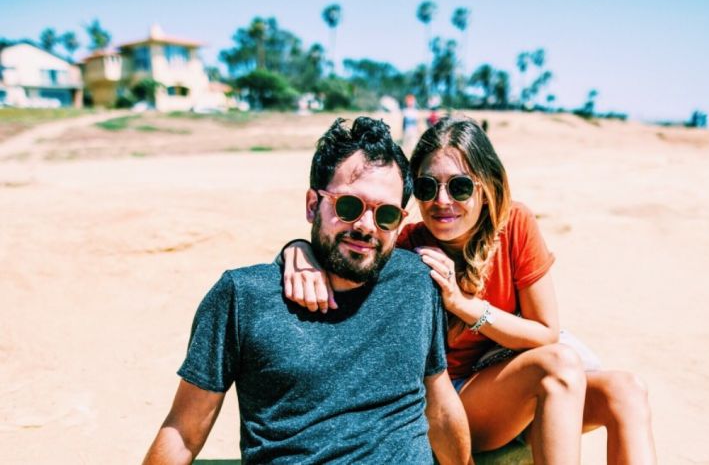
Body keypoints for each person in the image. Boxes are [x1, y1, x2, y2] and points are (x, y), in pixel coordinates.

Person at [282, 116, 657, 464]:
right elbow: (348, 246)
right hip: (451, 402)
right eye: (428, 187)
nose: (442, 201)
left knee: (626, 391)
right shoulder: (408, 244)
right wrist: (297, 250)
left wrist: (463, 305)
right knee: (557, 366)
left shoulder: (515, 225)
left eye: (459, 186)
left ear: (486, 186)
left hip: (518, 388)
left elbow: (545, 332)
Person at [143, 117, 472, 464]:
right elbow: (184, 431)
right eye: (349, 206)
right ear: (313, 205)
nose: (365, 226)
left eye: (386, 214)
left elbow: (439, 402)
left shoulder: (417, 283)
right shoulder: (243, 297)